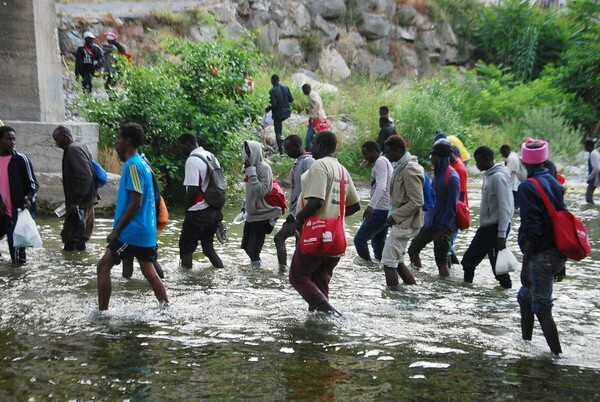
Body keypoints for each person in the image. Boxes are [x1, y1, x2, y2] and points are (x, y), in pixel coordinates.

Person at [96, 123, 168, 310]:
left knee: (103, 267)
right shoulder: (142, 163)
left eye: (119, 138)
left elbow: (136, 202)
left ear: (128, 141)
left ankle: (102, 313)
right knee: (149, 271)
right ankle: (166, 308)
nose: (116, 142)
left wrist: (116, 231)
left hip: (131, 231)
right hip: (145, 231)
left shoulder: (133, 165)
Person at [290, 131, 360, 315]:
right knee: (320, 280)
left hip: (317, 235)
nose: (311, 147)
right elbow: (355, 205)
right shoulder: (342, 169)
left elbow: (316, 202)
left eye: (313, 143)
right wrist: (335, 216)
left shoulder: (320, 166)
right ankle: (320, 326)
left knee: (297, 276)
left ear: (320, 145)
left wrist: (298, 221)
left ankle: (332, 314)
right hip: (336, 236)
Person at [516, 138, 567, 355]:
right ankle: (526, 346)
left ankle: (558, 357)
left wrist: (525, 265)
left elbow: (532, 229)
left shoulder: (528, 187)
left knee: (542, 308)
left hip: (540, 256)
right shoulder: (555, 183)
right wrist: (561, 260)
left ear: (524, 162)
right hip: (555, 253)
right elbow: (561, 219)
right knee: (525, 298)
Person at [461, 146, 514, 289]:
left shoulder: (499, 177)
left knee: (499, 269)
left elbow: (505, 208)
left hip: (496, 228)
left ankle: (506, 295)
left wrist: (501, 235)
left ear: (488, 159)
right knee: (468, 261)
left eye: (478, 161)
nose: (476, 165)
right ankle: (466, 290)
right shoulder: (489, 175)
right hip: (486, 227)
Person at [407, 140, 459, 278]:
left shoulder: (452, 177)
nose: (431, 159)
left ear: (440, 157)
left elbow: (452, 208)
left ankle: (444, 289)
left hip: (443, 227)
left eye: (433, 156)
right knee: (413, 250)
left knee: (440, 262)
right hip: (430, 223)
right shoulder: (438, 173)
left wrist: (442, 230)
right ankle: (416, 278)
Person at [381, 135, 424, 286]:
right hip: (402, 222)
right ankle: (410, 292)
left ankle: (393, 300)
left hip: (405, 223)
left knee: (388, 262)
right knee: (397, 261)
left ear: (398, 150)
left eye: (388, 152)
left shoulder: (409, 168)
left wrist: (395, 216)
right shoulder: (400, 165)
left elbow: (418, 201)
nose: (386, 155)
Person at [177, 132, 224, 269]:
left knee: (186, 249)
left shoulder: (192, 160)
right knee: (208, 248)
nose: (181, 151)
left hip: (198, 211)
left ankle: (187, 283)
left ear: (188, 144)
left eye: (182, 147)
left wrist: (186, 209)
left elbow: (193, 190)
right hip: (214, 210)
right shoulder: (211, 156)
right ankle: (221, 270)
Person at [52, 125, 97, 252]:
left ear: (64, 136)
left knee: (72, 238)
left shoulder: (73, 149)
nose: (56, 143)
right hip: (84, 200)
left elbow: (85, 176)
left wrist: (76, 201)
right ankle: (78, 265)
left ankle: (73, 266)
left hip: (81, 203)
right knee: (78, 237)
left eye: (57, 139)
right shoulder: (79, 147)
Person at [273, 135, 314, 271]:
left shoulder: (308, 162)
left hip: (301, 212)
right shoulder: (299, 162)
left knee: (279, 238)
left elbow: (310, 189)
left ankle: (283, 270)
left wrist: (297, 213)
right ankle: (295, 271)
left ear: (297, 146)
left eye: (288, 149)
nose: (287, 153)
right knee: (298, 244)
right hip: (296, 211)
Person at [0, 126, 39, 264]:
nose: (12, 142)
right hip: (2, 210)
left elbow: (33, 184)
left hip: (18, 210)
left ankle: (18, 277)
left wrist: (29, 197)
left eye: (13, 139)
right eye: (8, 139)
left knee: (17, 250)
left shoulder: (20, 159)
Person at [241, 140, 282, 266]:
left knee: (253, 250)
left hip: (262, 214)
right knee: (246, 247)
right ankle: (255, 271)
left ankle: (257, 276)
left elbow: (262, 191)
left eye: (250, 151)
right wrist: (244, 206)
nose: (248, 155)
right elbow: (250, 192)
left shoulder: (264, 168)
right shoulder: (248, 168)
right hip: (251, 213)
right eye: (246, 151)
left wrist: (252, 173)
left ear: (256, 152)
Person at [353, 141, 392, 263]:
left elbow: (381, 186)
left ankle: (368, 265)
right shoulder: (384, 161)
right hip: (386, 209)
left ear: (373, 151)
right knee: (378, 242)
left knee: (359, 239)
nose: (365, 157)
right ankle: (381, 268)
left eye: (366, 154)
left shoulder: (380, 162)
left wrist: (370, 206)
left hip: (380, 209)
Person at [265, 75, 293, 155]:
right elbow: (291, 100)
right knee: (282, 131)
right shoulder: (286, 88)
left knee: (278, 132)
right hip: (287, 113)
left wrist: (268, 109)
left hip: (278, 114)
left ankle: (281, 151)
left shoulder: (272, 91)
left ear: (272, 81)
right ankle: (287, 148)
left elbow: (274, 104)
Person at [302, 84, 327, 152]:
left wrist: (312, 116)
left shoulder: (311, 95)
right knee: (316, 138)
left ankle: (309, 153)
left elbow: (317, 104)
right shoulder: (314, 93)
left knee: (308, 139)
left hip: (316, 118)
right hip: (321, 116)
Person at [500, 144, 524, 209]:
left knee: (513, 206)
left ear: (507, 150)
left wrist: (504, 166)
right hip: (517, 183)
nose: (502, 155)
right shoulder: (514, 155)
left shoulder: (511, 158)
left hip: (514, 185)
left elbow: (507, 173)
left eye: (503, 153)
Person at [585, 139, 600, 204]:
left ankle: (590, 209)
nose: (584, 147)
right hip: (595, 176)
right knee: (589, 196)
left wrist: (590, 178)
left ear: (589, 146)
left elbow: (596, 168)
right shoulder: (595, 153)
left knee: (588, 197)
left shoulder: (593, 154)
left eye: (585, 145)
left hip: (594, 177)